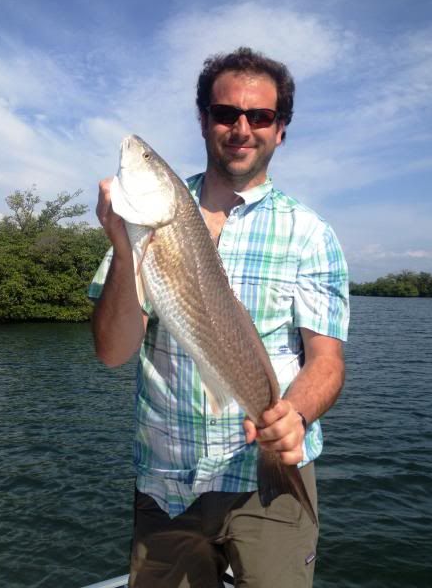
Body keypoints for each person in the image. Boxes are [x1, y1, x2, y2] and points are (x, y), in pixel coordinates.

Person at [90, 47, 349, 588]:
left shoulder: (311, 233)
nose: (241, 128)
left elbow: (326, 361)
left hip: (268, 484)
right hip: (166, 483)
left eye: (260, 116)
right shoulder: (142, 226)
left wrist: (294, 416)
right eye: (226, 113)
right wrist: (122, 247)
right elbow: (113, 351)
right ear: (204, 120)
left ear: (281, 130)